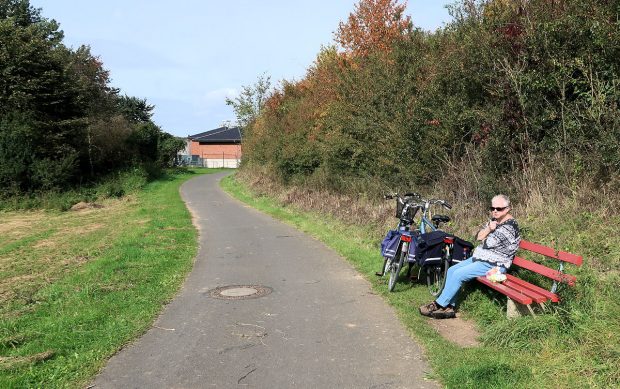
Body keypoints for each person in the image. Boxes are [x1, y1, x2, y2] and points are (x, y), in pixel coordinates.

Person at [419, 194, 521, 319]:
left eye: (498, 209)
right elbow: (478, 237)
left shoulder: (510, 226)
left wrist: (486, 233)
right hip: (481, 258)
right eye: (492, 208)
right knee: (451, 270)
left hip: (495, 264)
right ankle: (450, 307)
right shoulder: (494, 221)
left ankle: (439, 304)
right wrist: (489, 228)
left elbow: (488, 243)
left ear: (507, 209)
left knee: (458, 275)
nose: (495, 211)